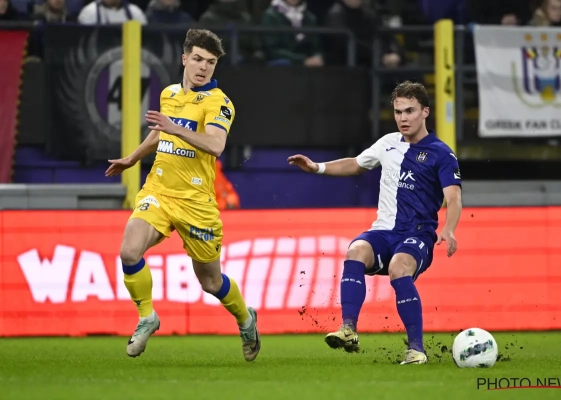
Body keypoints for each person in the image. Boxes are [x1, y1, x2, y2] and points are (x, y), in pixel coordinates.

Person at [105, 29, 261, 362]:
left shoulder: (219, 103)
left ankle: (246, 319)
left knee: (211, 282)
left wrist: (175, 128)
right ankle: (147, 317)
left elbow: (215, 145)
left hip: (196, 203)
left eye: (211, 62)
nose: (204, 67)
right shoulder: (169, 93)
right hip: (159, 191)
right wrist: (132, 158)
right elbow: (159, 133)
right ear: (185, 58)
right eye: (198, 59)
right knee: (129, 251)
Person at [287, 81, 462, 365]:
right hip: (384, 232)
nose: (403, 118)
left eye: (409, 111)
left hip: (417, 234)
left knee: (398, 267)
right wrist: (316, 167)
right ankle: (348, 330)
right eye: (398, 112)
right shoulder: (387, 143)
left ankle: (416, 350)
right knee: (355, 250)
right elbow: (356, 164)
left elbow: (453, 198)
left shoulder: (441, 153)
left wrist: (449, 228)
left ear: (425, 112)